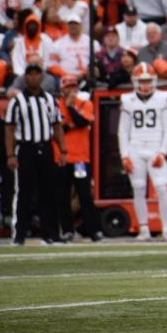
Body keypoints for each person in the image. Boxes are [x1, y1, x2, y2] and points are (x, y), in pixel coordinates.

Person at [7, 64, 68, 245]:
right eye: (30, 75)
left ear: (42, 77)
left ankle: (51, 233)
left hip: (46, 147)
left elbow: (57, 126)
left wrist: (62, 150)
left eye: (36, 74)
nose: (33, 78)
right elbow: (9, 129)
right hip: (26, 148)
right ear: (25, 77)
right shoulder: (17, 101)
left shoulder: (49, 99)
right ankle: (19, 234)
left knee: (48, 191)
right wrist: (11, 154)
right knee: (24, 192)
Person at [118, 63, 167, 241]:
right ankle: (143, 229)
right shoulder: (128, 100)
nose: (145, 85)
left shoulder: (163, 97)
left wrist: (163, 152)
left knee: (161, 187)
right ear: (134, 81)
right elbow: (123, 131)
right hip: (135, 147)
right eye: (142, 81)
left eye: (148, 81)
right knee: (138, 188)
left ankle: (166, 229)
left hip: (155, 146)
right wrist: (125, 155)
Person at [57, 74, 101, 242]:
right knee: (63, 195)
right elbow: (59, 129)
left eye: (74, 86)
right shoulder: (56, 105)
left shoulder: (84, 103)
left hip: (81, 157)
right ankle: (67, 230)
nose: (71, 90)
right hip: (61, 156)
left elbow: (83, 122)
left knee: (85, 195)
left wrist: (71, 109)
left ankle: (93, 230)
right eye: (68, 87)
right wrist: (70, 123)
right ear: (62, 89)